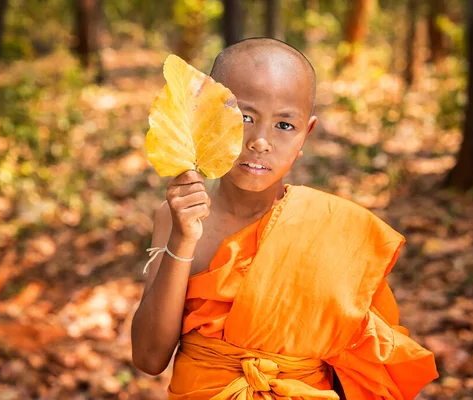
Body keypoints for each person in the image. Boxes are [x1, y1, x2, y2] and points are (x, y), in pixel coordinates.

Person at [131, 37, 438, 399]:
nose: (260, 141)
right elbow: (149, 357)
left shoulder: (335, 230)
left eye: (284, 126)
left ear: (306, 133)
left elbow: (366, 365)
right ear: (204, 117)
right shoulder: (176, 216)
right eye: (244, 117)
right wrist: (183, 239)